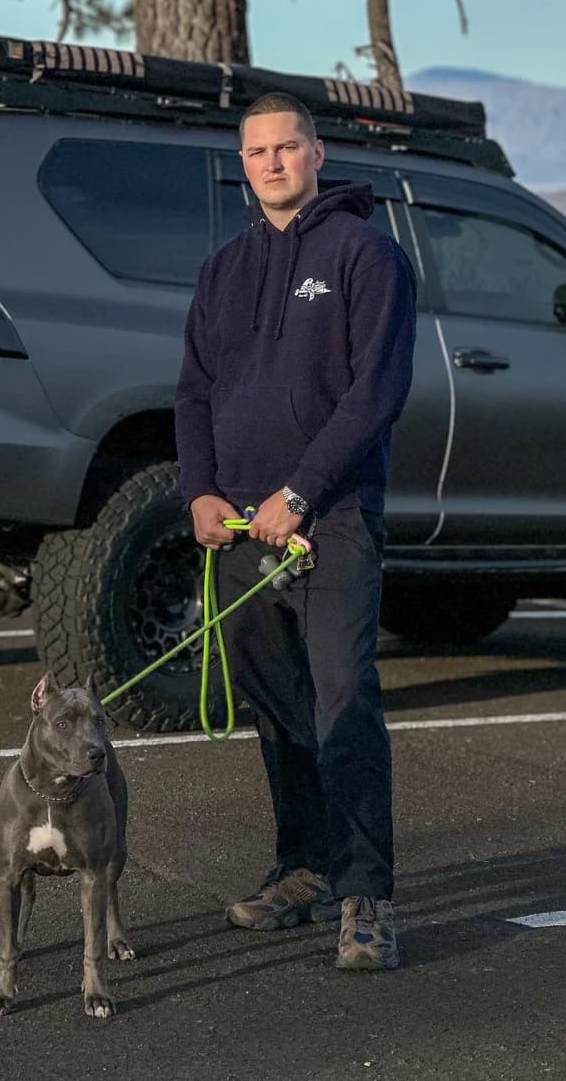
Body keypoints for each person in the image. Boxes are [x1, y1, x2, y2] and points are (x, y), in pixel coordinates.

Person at [174, 91, 417, 972]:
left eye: (287, 147)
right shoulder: (222, 271)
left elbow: (376, 393)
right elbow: (194, 391)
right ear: (243, 165)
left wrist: (303, 493)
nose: (272, 163)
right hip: (240, 531)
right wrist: (200, 492)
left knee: (344, 698)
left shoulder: (366, 255)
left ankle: (366, 896)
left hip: (333, 521)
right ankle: (303, 869)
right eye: (256, 152)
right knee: (279, 710)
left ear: (318, 153)